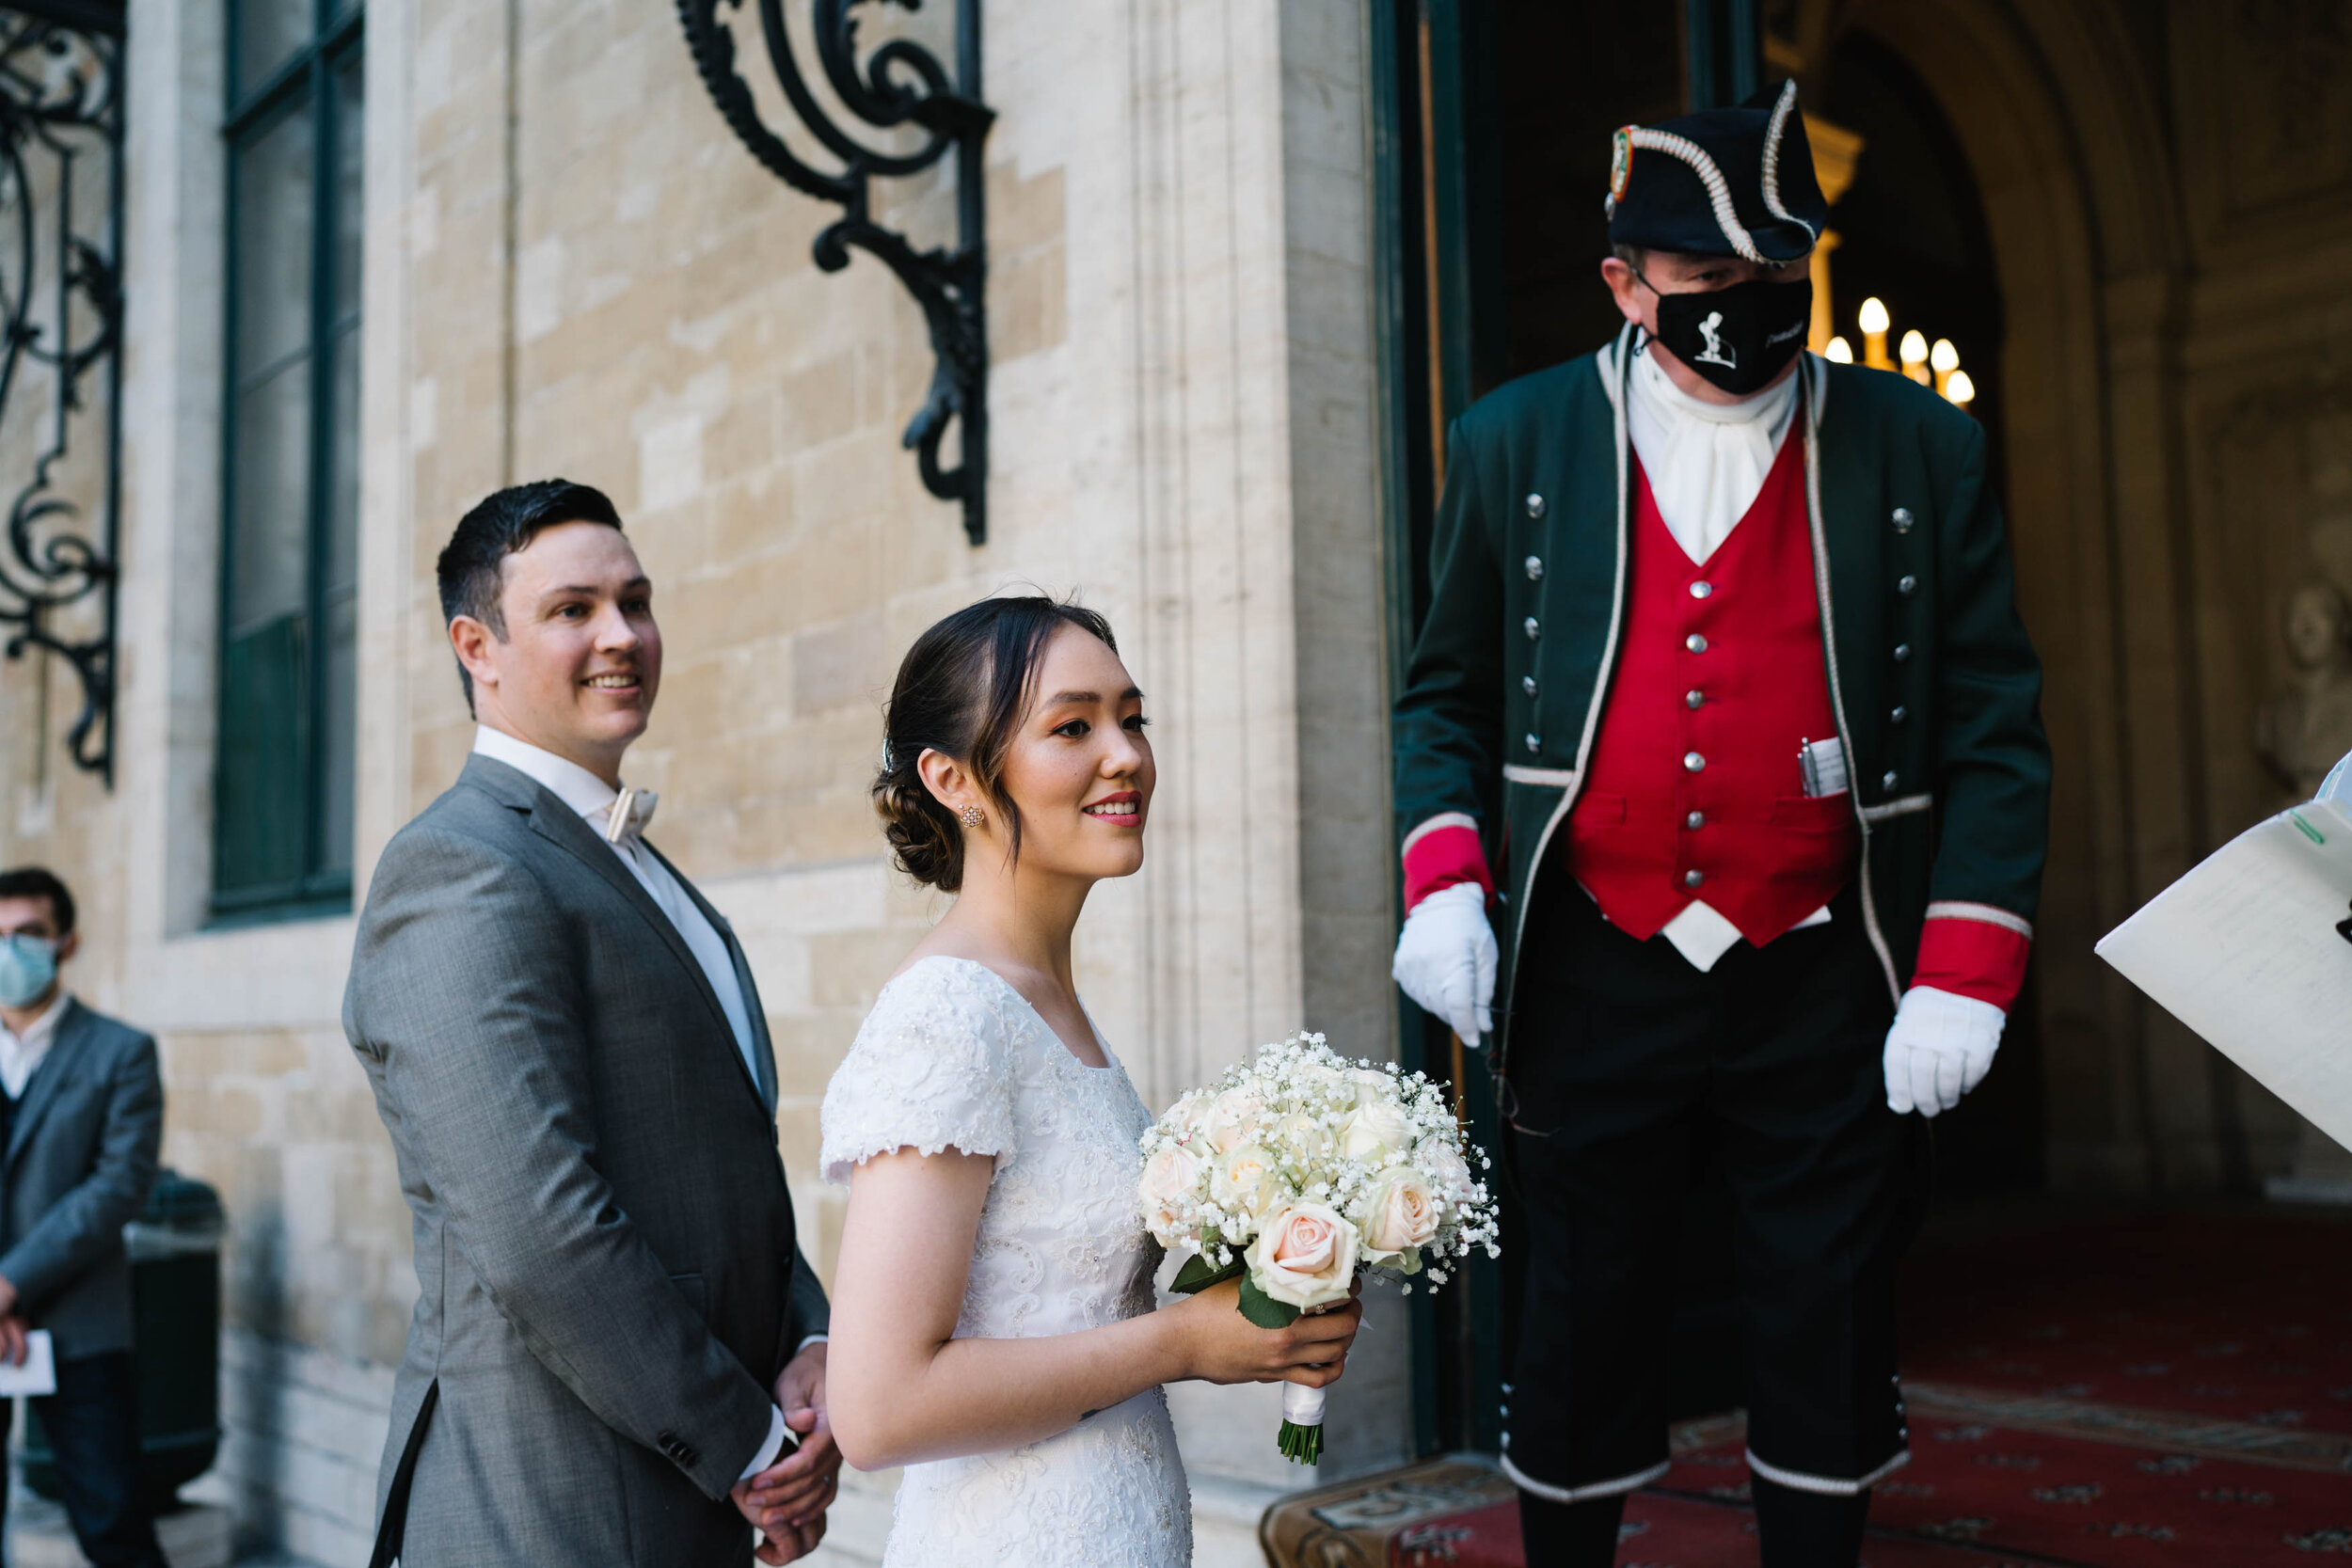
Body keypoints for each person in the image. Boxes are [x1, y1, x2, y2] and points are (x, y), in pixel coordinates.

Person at [1389, 83, 2051, 1567]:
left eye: (1779, 280)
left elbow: (1995, 727)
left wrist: (1962, 966)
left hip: (1826, 958)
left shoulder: (1917, 447)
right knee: (1578, 1305)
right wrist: (1445, 883)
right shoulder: (1510, 441)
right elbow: (1445, 695)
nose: (1751, 310)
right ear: (1626, 284)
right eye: (1712, 284)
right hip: (1591, 951)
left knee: (1825, 1309)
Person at [343, 481, 837, 1567]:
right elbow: (540, 1230)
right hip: (548, 1506)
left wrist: (808, 1337)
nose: (622, 635)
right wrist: (752, 1442)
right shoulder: (458, 865)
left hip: (681, 1495)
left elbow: (719, 1168)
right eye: (574, 609)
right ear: (479, 644)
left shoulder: (634, 860)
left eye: (636, 600)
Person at [818, 597, 1364, 1567]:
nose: (1124, 754)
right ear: (953, 779)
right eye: (1072, 726)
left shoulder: (1048, 1000)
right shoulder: (947, 1017)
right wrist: (1184, 1342)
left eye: (1132, 717)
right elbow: (877, 1409)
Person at [0, 865, 167, 1568]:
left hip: (80, 1323)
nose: (10, 950)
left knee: (112, 1521)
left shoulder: (121, 1052)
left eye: (28, 933)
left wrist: (10, 1283)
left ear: (66, 943)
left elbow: (116, 1187)